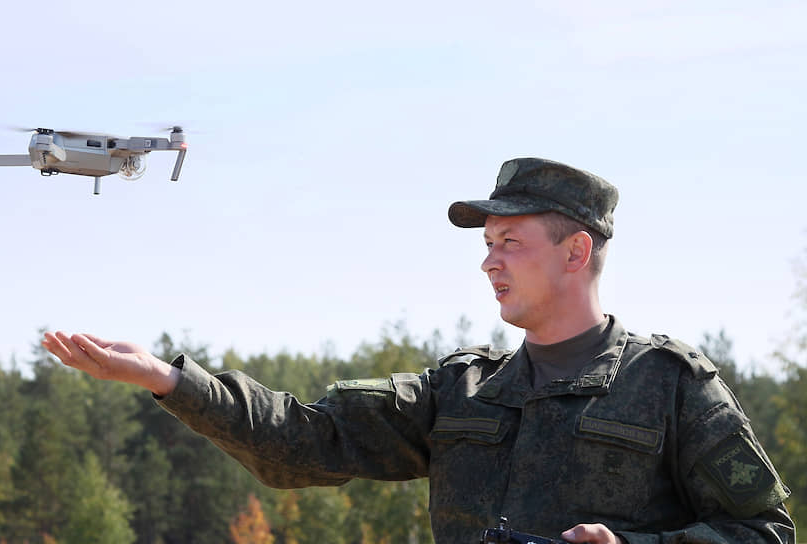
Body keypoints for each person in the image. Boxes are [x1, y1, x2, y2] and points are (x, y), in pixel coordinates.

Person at [42, 157, 795, 544]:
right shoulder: (461, 391)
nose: (488, 261)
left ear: (575, 252)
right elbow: (306, 440)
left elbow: (764, 534)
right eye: (486, 243)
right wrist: (170, 381)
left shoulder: (669, 386)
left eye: (510, 241)